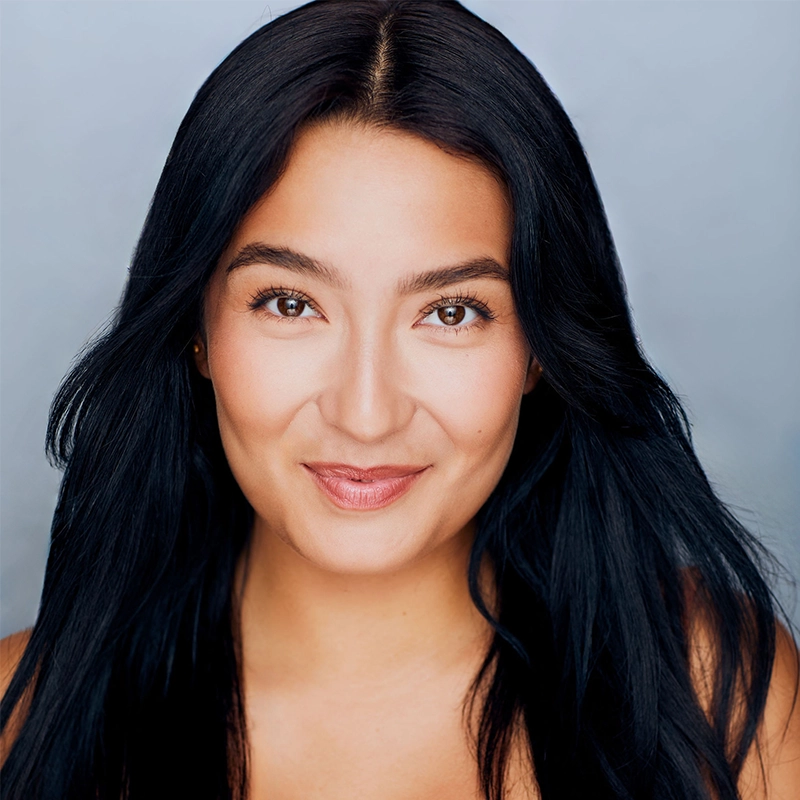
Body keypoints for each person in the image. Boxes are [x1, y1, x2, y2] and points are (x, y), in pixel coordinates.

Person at [1, 0, 798, 797]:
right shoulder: (20, 727)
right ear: (196, 330)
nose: (366, 412)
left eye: (451, 313)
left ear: (539, 353)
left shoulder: (714, 699)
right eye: (289, 303)